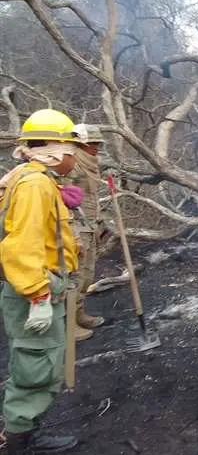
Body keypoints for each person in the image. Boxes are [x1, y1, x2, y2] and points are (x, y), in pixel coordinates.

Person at [0, 109, 82, 455]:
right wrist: (39, 294)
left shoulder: (34, 178)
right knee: (36, 365)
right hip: (35, 289)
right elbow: (21, 245)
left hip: (39, 285)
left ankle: (26, 430)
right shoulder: (34, 184)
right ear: (54, 149)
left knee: (41, 361)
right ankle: (14, 446)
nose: (73, 156)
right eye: (70, 148)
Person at [66, 124, 107, 341]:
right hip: (74, 225)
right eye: (94, 143)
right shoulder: (70, 161)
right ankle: (67, 323)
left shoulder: (91, 162)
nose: (97, 147)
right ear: (81, 143)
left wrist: (99, 221)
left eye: (98, 143)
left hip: (90, 222)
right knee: (75, 273)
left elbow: (90, 195)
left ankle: (79, 313)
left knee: (87, 273)